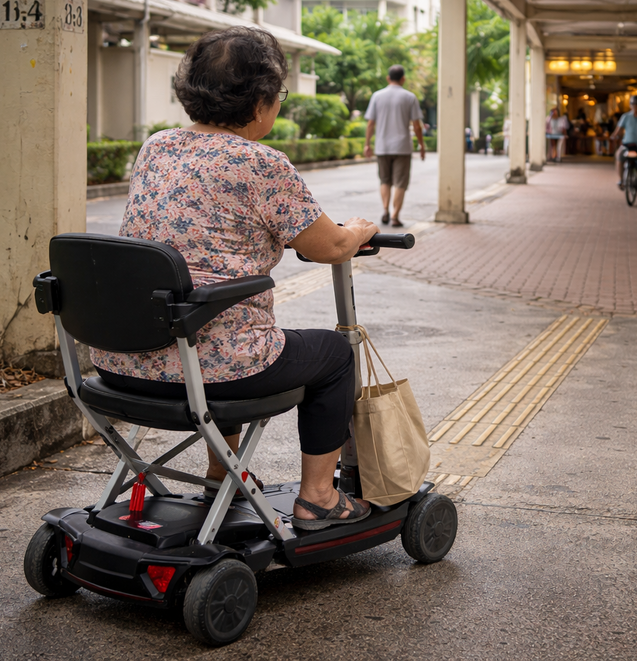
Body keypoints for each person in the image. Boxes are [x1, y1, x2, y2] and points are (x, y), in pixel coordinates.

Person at [90, 26, 378, 531]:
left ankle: (223, 471)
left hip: (121, 361)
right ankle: (318, 498)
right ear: (262, 100)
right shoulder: (261, 164)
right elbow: (330, 246)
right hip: (207, 368)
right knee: (331, 356)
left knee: (212, 327)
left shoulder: (157, 147)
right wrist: (356, 230)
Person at [364, 65, 425, 228]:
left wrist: (367, 144)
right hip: (402, 147)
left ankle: (385, 209)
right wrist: (421, 145)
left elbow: (371, 123)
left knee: (384, 180)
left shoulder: (377, 96)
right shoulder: (410, 97)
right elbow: (417, 126)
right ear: (403, 79)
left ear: (388, 78)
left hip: (382, 146)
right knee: (400, 183)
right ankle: (395, 216)